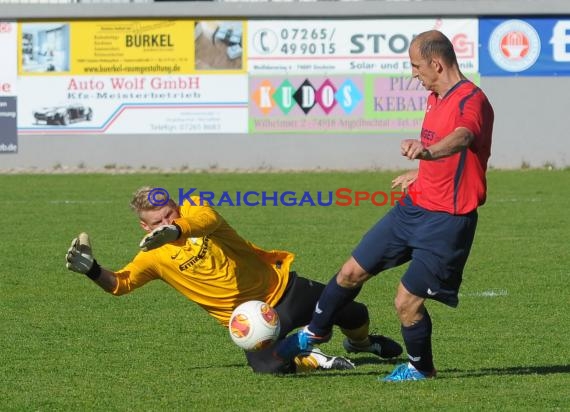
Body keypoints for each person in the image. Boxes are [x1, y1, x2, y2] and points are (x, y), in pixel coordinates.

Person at [275, 30, 494, 381]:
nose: (413, 74)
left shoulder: (471, 100)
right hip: (413, 207)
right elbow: (443, 153)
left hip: (447, 221)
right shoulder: (434, 96)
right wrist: (421, 172)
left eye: (416, 66)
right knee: (350, 271)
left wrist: (428, 153)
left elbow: (463, 137)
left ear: (436, 64)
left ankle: (421, 369)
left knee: (406, 303)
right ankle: (313, 333)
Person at [65, 186, 402, 375]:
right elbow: (120, 284)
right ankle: (314, 358)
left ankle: (360, 344)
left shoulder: (195, 211)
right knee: (269, 369)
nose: (167, 221)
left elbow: (206, 218)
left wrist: (177, 228)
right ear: (144, 227)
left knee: (353, 312)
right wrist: (93, 269)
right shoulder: (151, 256)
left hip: (281, 289)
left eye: (171, 213)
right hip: (247, 321)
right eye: (158, 221)